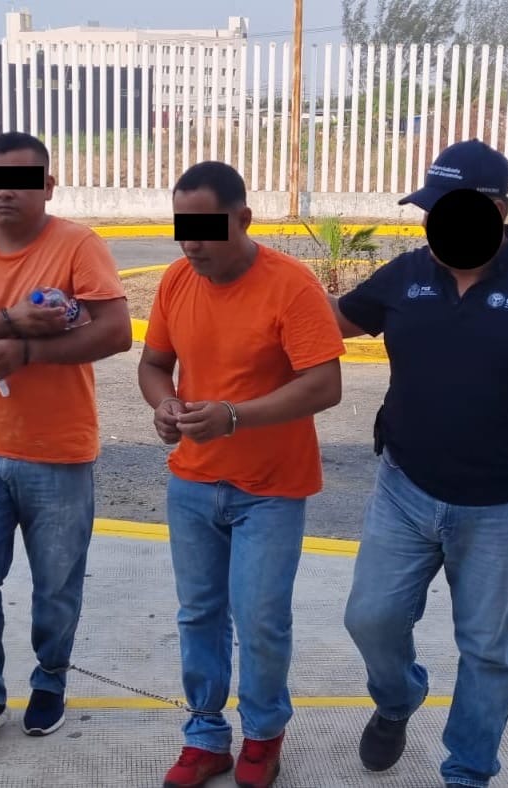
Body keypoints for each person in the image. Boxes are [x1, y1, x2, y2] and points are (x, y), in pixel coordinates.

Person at [328, 138, 508, 788]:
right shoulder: (406, 275)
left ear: (497, 211)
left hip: (506, 508)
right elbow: (330, 321)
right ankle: (398, 698)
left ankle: (468, 772)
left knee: (488, 651)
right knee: (369, 619)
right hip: (404, 490)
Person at [0, 131, 132, 757]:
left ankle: (50, 679)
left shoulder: (78, 245)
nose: (4, 192)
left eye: (19, 180)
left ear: (48, 186)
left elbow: (116, 331)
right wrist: (10, 320)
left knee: (56, 586)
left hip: (60, 451)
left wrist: (30, 351)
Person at [138, 161, 344, 788]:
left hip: (270, 490)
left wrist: (234, 417)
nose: (192, 244)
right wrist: (164, 405)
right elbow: (153, 364)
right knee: (199, 614)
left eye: (206, 227)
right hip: (193, 483)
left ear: (244, 219)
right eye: (183, 228)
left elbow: (325, 384)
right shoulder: (177, 281)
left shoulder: (290, 286)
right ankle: (204, 736)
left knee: (259, 619)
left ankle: (262, 735)